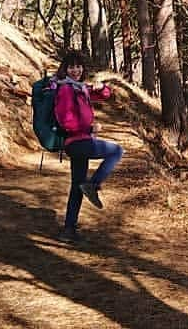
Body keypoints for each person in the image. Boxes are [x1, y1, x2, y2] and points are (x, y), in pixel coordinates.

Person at [52, 50, 123, 244]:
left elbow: (106, 95)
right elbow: (65, 120)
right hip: (77, 141)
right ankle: (93, 184)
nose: (75, 70)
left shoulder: (79, 88)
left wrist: (101, 87)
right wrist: (89, 127)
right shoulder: (66, 89)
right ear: (65, 69)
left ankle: (68, 229)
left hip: (81, 141)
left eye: (78, 66)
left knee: (77, 186)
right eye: (71, 67)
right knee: (116, 151)